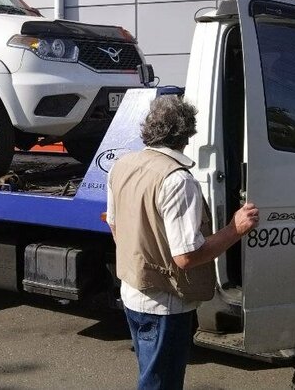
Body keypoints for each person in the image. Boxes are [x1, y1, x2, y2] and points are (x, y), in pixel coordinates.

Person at [106, 96, 259, 390]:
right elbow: (186, 257)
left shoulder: (121, 166)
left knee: (151, 376)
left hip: (132, 292)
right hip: (165, 304)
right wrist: (235, 229)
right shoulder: (178, 180)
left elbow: (115, 227)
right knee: (160, 384)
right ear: (186, 134)